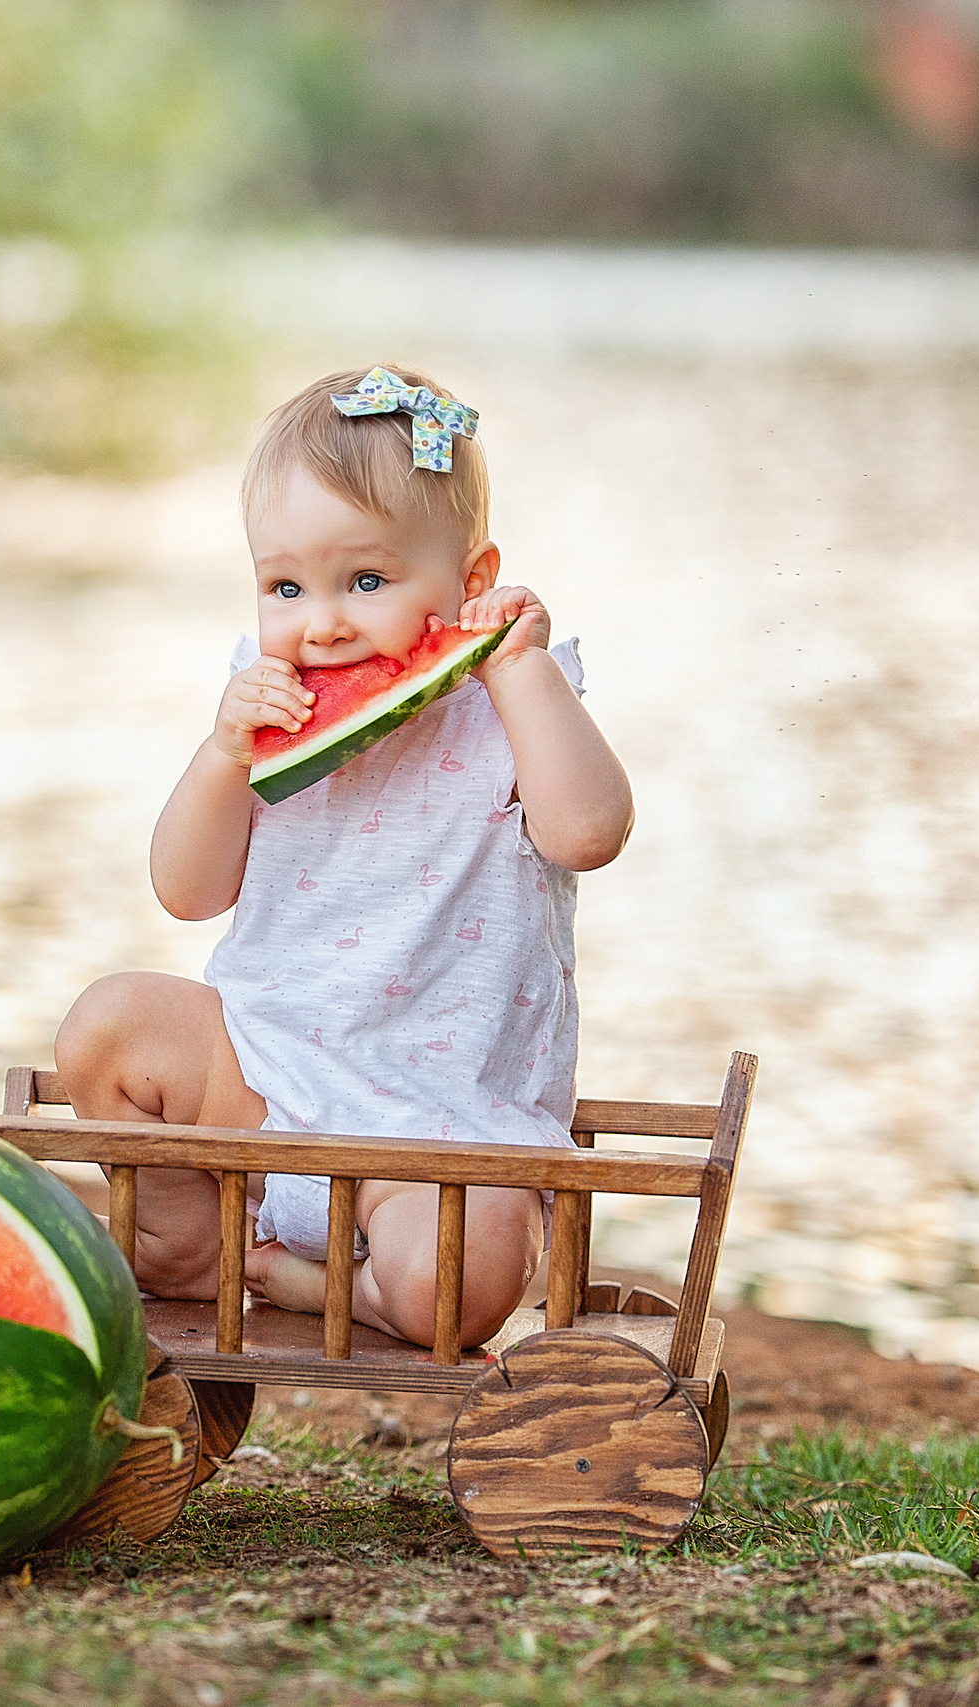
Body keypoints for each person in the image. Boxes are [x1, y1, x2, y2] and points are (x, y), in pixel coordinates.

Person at [54, 364, 633, 1349]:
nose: (319, 621)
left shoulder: (514, 702)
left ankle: (337, 1289)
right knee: (108, 1026)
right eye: (285, 585)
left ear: (472, 581)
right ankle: (195, 1252)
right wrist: (220, 756)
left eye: (366, 581)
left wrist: (522, 675)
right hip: (260, 1082)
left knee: (470, 1269)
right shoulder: (265, 703)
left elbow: (591, 832)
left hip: (440, 1129)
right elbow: (186, 894)